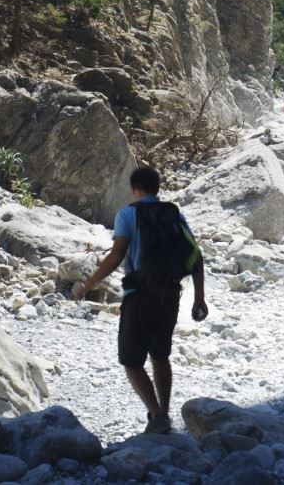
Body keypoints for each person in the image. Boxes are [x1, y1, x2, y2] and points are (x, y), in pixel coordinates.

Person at [71, 166, 207, 434]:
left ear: (134, 189)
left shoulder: (128, 214)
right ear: (157, 188)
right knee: (160, 355)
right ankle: (164, 412)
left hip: (139, 296)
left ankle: (157, 417)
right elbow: (196, 255)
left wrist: (87, 284)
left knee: (131, 361)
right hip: (170, 295)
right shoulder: (174, 214)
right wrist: (199, 298)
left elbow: (116, 255)